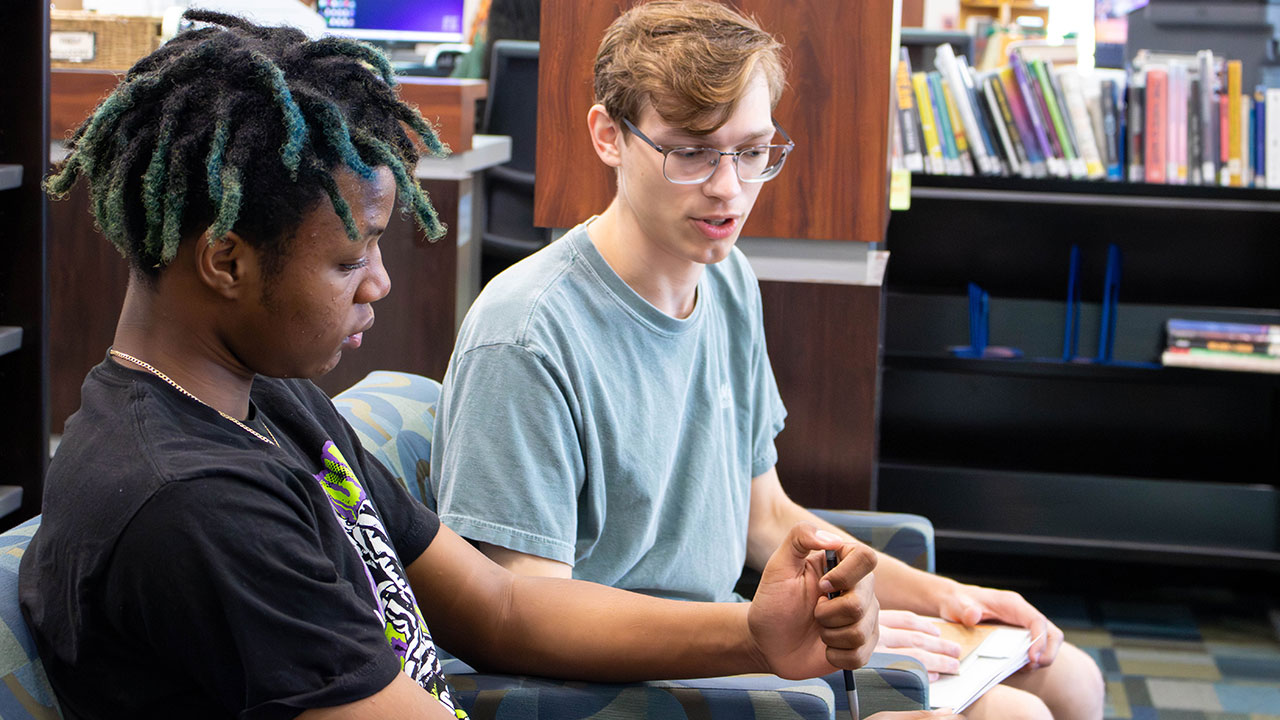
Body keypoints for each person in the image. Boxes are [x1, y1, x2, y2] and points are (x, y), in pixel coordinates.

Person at [16, 11, 957, 720]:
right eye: (349, 259)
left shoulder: (272, 406)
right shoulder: (192, 505)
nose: (381, 283)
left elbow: (501, 607)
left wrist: (755, 634)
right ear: (225, 260)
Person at [429, 2, 1105, 718]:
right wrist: (760, 637)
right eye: (692, 152)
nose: (728, 187)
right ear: (608, 136)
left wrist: (950, 598)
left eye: (751, 151)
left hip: (732, 637)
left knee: (1071, 678)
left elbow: (766, 516)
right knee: (1016, 714)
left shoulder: (725, 278)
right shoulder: (526, 333)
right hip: (631, 681)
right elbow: (522, 616)